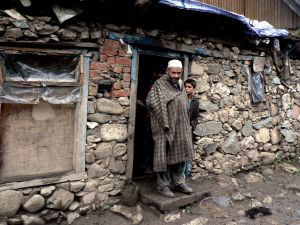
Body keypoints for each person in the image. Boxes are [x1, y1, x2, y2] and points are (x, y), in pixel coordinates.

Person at [146, 59, 194, 198]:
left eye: (178, 73)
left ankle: (179, 182)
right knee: (164, 156)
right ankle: (163, 186)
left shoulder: (180, 84)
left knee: (181, 155)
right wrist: (164, 116)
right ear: (167, 71)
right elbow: (150, 102)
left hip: (181, 126)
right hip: (165, 127)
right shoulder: (159, 85)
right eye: (173, 72)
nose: (176, 75)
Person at [183, 79, 199, 177]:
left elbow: (195, 117)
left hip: (188, 129)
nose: (186, 89)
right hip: (179, 128)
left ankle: (186, 172)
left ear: (193, 89)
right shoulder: (180, 99)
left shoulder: (195, 102)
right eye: (185, 86)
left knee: (187, 151)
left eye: (189, 87)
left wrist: (191, 125)